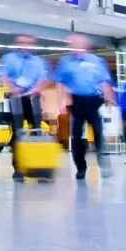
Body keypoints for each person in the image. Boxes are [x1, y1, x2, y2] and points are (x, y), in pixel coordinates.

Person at [50, 34, 115, 180]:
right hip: (76, 101)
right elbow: (60, 82)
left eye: (76, 44)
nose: (73, 48)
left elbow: (104, 82)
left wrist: (109, 98)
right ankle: (80, 167)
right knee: (76, 136)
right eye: (71, 45)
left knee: (98, 132)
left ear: (85, 46)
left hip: (94, 100)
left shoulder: (97, 61)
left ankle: (104, 164)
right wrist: (61, 101)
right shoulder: (65, 62)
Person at [0, 36, 49, 180]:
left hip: (33, 98)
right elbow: (3, 77)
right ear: (17, 44)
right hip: (16, 98)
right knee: (18, 132)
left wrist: (36, 89)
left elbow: (43, 79)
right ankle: (18, 168)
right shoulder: (9, 59)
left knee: (37, 130)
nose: (26, 46)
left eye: (29, 44)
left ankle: (39, 167)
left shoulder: (38, 61)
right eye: (23, 43)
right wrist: (12, 89)